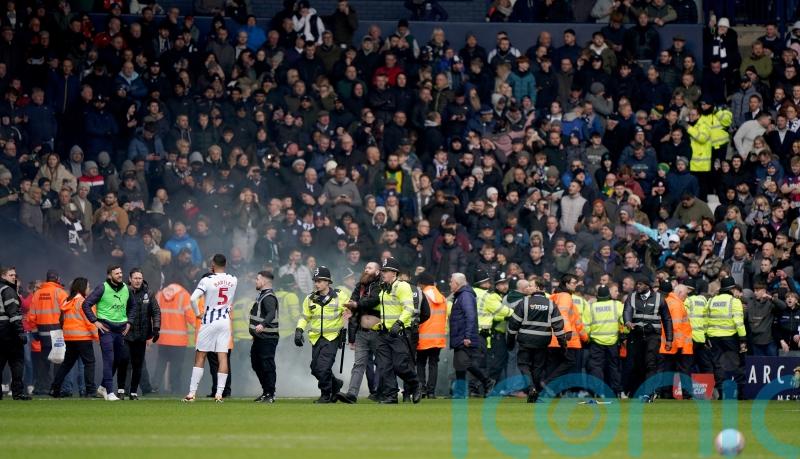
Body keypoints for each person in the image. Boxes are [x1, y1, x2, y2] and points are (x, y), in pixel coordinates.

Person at [183, 254, 239, 403]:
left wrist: (197, 313)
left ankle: (191, 394)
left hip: (209, 320)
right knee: (223, 356)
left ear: (212, 264)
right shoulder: (233, 280)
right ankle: (219, 395)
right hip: (225, 321)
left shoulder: (206, 280)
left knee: (201, 356)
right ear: (225, 264)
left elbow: (193, 298)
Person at [294, 266, 349, 403]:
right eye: (315, 281)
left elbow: (349, 312)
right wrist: (299, 330)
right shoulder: (309, 298)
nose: (316, 283)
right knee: (315, 369)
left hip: (332, 338)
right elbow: (304, 317)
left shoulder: (340, 295)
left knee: (323, 368)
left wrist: (347, 325)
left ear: (328, 282)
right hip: (316, 338)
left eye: (320, 281)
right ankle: (335, 384)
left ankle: (326, 395)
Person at [508, 277, 565, 403]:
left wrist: (510, 340)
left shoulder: (524, 302)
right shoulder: (551, 304)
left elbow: (513, 324)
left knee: (523, 365)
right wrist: (563, 344)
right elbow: (558, 325)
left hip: (525, 340)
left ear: (538, 287)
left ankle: (531, 388)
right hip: (542, 342)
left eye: (530, 286)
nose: (528, 288)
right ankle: (535, 392)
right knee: (538, 367)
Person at [374, 256, 423, 404]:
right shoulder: (384, 288)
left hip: (398, 333)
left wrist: (399, 322)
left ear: (394, 273)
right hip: (383, 333)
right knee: (384, 367)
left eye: (386, 271)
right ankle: (391, 395)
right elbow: (385, 309)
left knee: (400, 366)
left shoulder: (402, 286)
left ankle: (415, 384)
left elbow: (409, 308)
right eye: (383, 270)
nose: (383, 273)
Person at [82, 265, 133, 401]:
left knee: (117, 360)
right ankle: (110, 392)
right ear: (109, 275)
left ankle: (103, 387)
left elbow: (133, 306)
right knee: (109, 359)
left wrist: (129, 322)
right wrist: (95, 321)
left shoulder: (127, 289)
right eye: (116, 273)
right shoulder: (102, 288)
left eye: (121, 272)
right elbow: (86, 304)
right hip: (106, 329)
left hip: (121, 330)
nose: (120, 275)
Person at [623, 275, 673, 403]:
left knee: (650, 364)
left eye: (640, 284)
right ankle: (636, 391)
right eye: (637, 284)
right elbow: (627, 311)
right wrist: (628, 321)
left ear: (647, 286)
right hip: (636, 335)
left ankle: (649, 393)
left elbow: (667, 319)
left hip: (653, 336)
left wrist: (669, 339)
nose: (637, 286)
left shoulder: (659, 298)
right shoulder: (632, 297)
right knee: (637, 365)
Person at [337, 261, 382, 404]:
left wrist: (357, 304)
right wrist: (352, 337)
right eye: (366, 267)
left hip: (379, 332)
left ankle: (381, 392)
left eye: (370, 268)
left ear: (377, 271)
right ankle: (352, 394)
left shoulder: (381, 285)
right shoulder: (359, 286)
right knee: (359, 364)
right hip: (361, 333)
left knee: (382, 363)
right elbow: (352, 309)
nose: (366, 269)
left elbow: (374, 300)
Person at [449, 272, 495, 399]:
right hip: (460, 335)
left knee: (464, 363)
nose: (449, 284)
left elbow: (470, 316)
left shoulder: (465, 296)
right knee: (459, 364)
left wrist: (467, 336)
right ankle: (460, 392)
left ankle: (487, 381)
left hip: (464, 336)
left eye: (451, 281)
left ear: (457, 283)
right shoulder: (460, 295)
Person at [50, 277, 97, 399]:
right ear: (82, 288)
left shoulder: (67, 301)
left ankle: (55, 388)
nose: (89, 289)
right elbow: (90, 321)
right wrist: (98, 337)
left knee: (66, 364)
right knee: (89, 363)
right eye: (88, 286)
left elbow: (61, 320)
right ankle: (90, 390)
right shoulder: (84, 302)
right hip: (83, 338)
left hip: (70, 338)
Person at [28, 269, 68, 395]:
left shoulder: (37, 293)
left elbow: (31, 316)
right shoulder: (61, 293)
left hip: (42, 333)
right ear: (57, 279)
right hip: (57, 332)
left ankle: (42, 388)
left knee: (43, 362)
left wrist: (35, 332)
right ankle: (56, 388)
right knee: (58, 361)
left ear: (46, 279)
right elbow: (66, 314)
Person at [706, 276, 747, 399]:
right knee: (737, 364)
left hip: (714, 337)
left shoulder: (711, 301)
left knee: (718, 365)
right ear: (733, 289)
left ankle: (721, 393)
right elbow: (739, 322)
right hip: (730, 337)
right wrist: (743, 339)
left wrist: (706, 336)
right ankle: (740, 393)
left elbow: (706, 320)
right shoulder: (734, 301)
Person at [583, 284, 624, 399]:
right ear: (609, 295)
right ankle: (616, 392)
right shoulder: (617, 305)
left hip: (596, 342)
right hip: (613, 342)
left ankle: (597, 391)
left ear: (597, 296)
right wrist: (624, 334)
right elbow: (624, 321)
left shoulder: (591, 307)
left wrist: (588, 338)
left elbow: (586, 327)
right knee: (613, 367)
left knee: (596, 367)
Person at [125, 268, 160, 400]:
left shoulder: (148, 293)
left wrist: (156, 329)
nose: (138, 280)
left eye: (140, 278)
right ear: (130, 279)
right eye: (135, 278)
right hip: (126, 334)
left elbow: (156, 311)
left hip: (141, 335)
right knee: (126, 362)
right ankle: (125, 390)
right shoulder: (124, 292)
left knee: (139, 363)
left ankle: (137, 391)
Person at [658, 281, 693, 399]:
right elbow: (676, 326)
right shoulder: (677, 304)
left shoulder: (667, 301)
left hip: (667, 343)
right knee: (684, 370)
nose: (686, 297)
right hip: (679, 344)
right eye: (686, 294)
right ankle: (687, 394)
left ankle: (666, 393)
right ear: (679, 292)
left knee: (668, 369)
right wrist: (679, 345)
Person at [415, 272, 447, 399]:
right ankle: (431, 391)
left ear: (422, 284)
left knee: (421, 363)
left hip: (423, 336)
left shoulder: (422, 296)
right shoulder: (442, 297)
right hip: (438, 337)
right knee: (434, 364)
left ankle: (421, 388)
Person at [0, 266, 30, 400]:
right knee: (17, 363)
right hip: (10, 333)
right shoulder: (8, 290)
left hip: (1, 332)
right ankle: (17, 393)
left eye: (14, 275)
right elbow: (14, 315)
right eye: (11, 275)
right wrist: (20, 332)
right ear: (3, 276)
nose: (14, 277)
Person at [250, 271, 279, 403]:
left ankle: (270, 394)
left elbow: (271, 313)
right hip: (259, 338)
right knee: (256, 364)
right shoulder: (262, 295)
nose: (255, 281)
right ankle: (266, 391)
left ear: (265, 281)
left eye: (257, 279)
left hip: (267, 337)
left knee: (267, 365)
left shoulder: (268, 297)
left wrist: (262, 325)